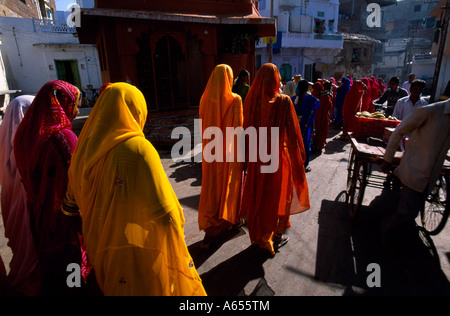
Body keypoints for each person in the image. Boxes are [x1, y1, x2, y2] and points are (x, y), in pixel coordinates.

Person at [63, 82, 206, 296]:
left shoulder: (82, 151)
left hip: (101, 252)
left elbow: (69, 207)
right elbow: (165, 215)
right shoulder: (138, 150)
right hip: (137, 253)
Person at [13, 80, 83, 295]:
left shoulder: (26, 135)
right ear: (62, 104)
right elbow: (77, 181)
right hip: (65, 218)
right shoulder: (63, 137)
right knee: (73, 270)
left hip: (38, 213)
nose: (78, 109)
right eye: (75, 103)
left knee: (52, 268)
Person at [241, 63, 310, 256]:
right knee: (279, 196)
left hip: (256, 159)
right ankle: (276, 234)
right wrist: (299, 158)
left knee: (259, 197)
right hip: (277, 159)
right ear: (277, 79)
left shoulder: (251, 101)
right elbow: (294, 135)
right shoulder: (285, 101)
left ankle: (258, 235)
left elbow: (245, 132)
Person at [380, 99, 450, 249]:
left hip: (433, 171)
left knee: (413, 208)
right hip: (414, 167)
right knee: (409, 211)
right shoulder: (430, 111)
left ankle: (397, 229)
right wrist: (388, 158)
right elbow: (400, 130)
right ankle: (386, 228)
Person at [198, 64, 244, 248]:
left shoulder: (204, 99)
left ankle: (209, 229)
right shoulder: (235, 100)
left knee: (211, 188)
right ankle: (228, 220)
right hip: (228, 154)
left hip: (209, 153)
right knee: (228, 186)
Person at [0, 95, 41, 295]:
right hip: (25, 204)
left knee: (22, 245)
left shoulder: (4, 139)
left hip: (10, 202)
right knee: (30, 244)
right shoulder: (30, 143)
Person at [292, 79, 321, 171]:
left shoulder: (293, 99)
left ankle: (293, 165)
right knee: (304, 145)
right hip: (305, 127)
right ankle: (303, 166)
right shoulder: (311, 100)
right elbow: (313, 115)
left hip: (294, 126)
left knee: (294, 145)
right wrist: (313, 129)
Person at [314, 81, 333, 153]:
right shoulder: (326, 96)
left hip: (316, 116)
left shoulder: (315, 95)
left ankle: (316, 145)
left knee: (317, 129)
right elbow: (330, 106)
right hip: (324, 116)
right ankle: (320, 145)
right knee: (322, 130)